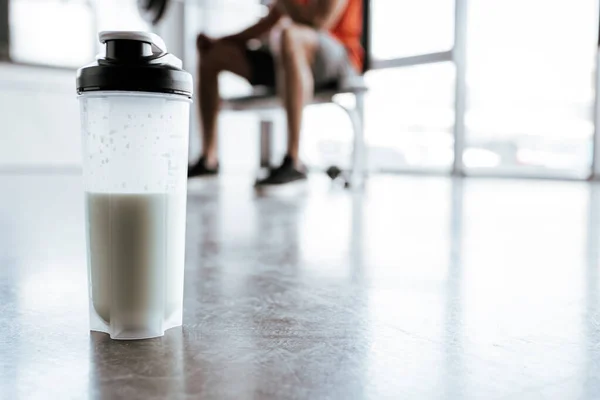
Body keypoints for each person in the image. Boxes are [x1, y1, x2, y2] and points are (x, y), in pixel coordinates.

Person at [188, 0, 364, 186]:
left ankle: (294, 160)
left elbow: (319, 21)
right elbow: (269, 23)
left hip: (338, 57)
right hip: (286, 54)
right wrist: (223, 40)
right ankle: (209, 159)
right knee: (212, 54)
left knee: (289, 35)